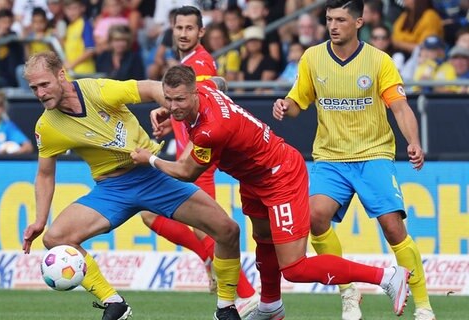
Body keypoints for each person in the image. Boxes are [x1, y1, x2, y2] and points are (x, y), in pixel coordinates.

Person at [132, 64, 411, 320]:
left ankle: (387, 277)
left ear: (193, 94)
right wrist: (173, 112)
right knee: (263, 239)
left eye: (180, 99)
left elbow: (186, 172)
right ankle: (270, 305)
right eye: (168, 99)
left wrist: (150, 159)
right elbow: (219, 82)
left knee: (294, 267)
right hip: (253, 178)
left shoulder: (210, 130)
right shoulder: (204, 88)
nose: (173, 104)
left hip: (280, 176)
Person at [21, 51, 244, 320]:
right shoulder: (47, 127)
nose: (40, 93)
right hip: (112, 190)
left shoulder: (98, 90)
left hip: (153, 176)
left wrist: (175, 110)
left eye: (44, 84)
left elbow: (150, 88)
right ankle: (114, 302)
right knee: (55, 239)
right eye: (34, 88)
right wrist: (39, 219)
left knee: (228, 230)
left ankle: (226, 307)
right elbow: (45, 174)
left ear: (61, 75)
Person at [272, 1, 434, 320]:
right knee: (315, 218)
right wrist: (284, 107)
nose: (333, 25)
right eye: (329, 19)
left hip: (373, 155)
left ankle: (423, 303)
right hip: (330, 159)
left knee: (392, 227)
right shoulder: (313, 58)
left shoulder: (378, 60)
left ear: (359, 22)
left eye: (341, 20)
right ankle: (348, 292)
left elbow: (400, 107)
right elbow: (297, 101)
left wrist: (413, 142)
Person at [139, 6, 259, 317]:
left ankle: (245, 294)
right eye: (179, 27)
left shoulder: (200, 63)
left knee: (211, 228)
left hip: (196, 159)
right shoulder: (187, 64)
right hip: (191, 153)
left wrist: (187, 149)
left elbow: (207, 102)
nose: (183, 33)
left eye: (190, 28)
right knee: (153, 217)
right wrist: (173, 121)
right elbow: (194, 106)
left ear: (201, 32)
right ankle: (211, 263)